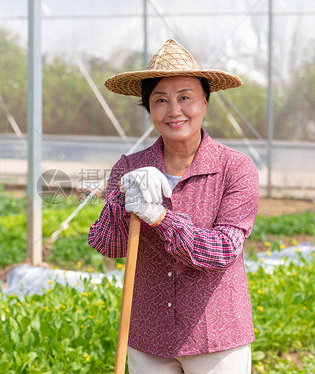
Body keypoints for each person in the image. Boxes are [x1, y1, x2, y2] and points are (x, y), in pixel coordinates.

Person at [88, 39, 259, 374]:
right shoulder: (129, 167)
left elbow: (223, 250)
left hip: (216, 338)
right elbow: (109, 245)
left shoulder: (235, 168)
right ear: (149, 109)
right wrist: (123, 200)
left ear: (205, 103)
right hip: (148, 336)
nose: (174, 110)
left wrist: (159, 217)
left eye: (185, 98)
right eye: (160, 100)